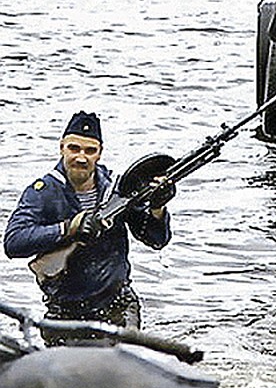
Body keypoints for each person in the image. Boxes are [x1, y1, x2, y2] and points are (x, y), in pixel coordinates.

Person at [3, 112, 174, 337]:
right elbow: (13, 243)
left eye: (90, 151)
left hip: (118, 307)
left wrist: (157, 208)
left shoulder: (118, 190)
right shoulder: (42, 192)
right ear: (62, 147)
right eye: (74, 148)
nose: (81, 158)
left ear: (100, 153)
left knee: (122, 368)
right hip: (62, 313)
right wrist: (68, 228)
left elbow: (156, 240)